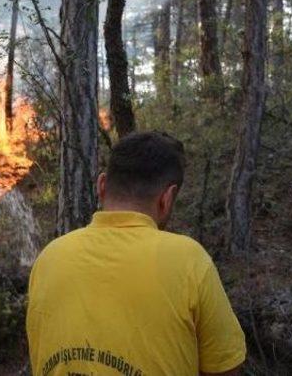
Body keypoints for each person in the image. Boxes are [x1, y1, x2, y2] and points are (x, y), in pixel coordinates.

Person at [26, 132, 246, 376]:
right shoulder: (189, 261)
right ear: (167, 198)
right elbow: (226, 369)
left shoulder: (49, 259)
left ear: (101, 185)